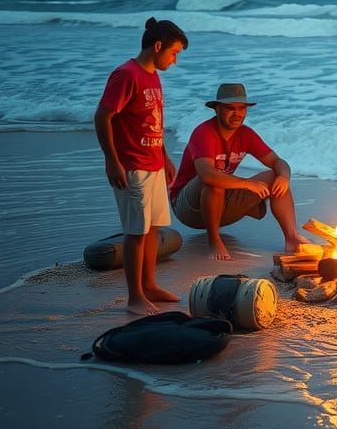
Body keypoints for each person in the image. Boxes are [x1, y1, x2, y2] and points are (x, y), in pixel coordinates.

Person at [94, 17, 187, 315]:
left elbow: (152, 123)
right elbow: (103, 117)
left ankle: (149, 285)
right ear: (157, 46)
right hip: (131, 166)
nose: (174, 61)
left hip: (154, 164)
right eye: (173, 54)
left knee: (153, 229)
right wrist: (112, 161)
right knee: (135, 232)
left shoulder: (152, 75)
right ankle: (134, 297)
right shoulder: (126, 74)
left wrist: (165, 157)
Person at [169, 83, 310, 260]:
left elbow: (277, 162)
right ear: (217, 109)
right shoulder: (203, 133)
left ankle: (291, 237)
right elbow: (207, 174)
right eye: (230, 108)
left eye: (241, 108)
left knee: (275, 175)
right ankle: (214, 241)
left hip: (222, 205)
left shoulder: (246, 134)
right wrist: (248, 184)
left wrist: (284, 176)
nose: (237, 114)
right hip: (188, 208)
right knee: (214, 182)